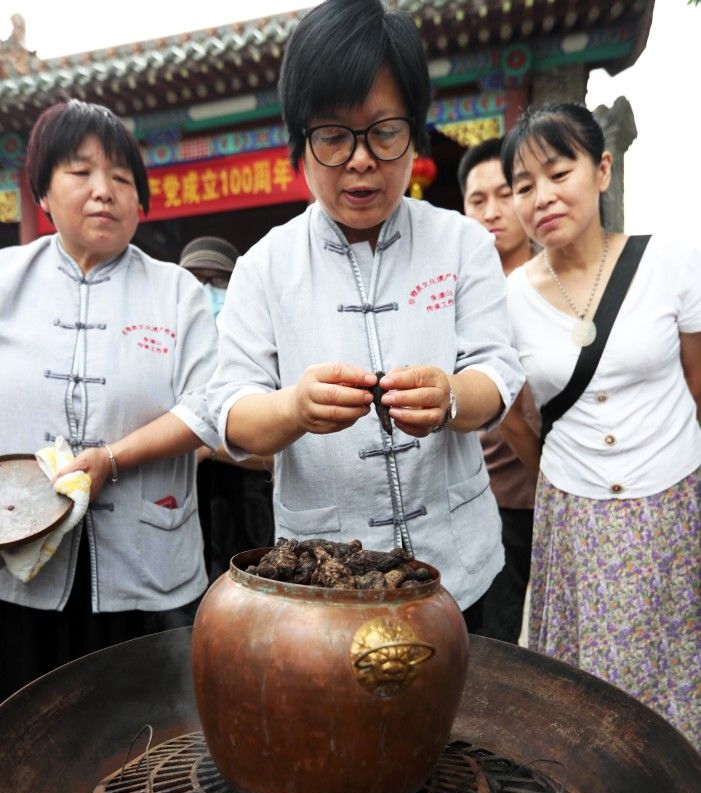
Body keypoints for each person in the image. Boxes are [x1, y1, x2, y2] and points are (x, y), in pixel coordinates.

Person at [207, 0, 524, 626]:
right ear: (301, 144)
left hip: (459, 568)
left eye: (384, 131)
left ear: (416, 132)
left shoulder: (462, 244)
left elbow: (499, 373)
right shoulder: (264, 267)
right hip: (324, 581)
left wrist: (452, 397)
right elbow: (232, 415)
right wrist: (293, 407)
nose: (360, 159)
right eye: (332, 136)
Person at [0, 100, 221, 704]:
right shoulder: (5, 279)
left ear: (141, 200)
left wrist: (112, 459)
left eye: (122, 178)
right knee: (25, 730)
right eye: (80, 172)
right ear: (42, 190)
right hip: (17, 560)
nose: (105, 192)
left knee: (149, 740)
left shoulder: (176, 291)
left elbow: (209, 407)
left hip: (147, 566)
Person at [500, 102, 701, 749]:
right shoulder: (510, 298)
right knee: (590, 690)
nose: (542, 197)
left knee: (674, 668)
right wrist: (560, 478)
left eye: (558, 173)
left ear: (601, 169)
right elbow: (511, 415)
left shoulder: (669, 260)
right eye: (523, 186)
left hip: (672, 501)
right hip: (575, 517)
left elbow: (698, 383)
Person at [458, 138, 540, 644]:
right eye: (476, 200)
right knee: (498, 638)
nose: (491, 212)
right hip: (495, 494)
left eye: (505, 193)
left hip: (565, 491)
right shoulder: (459, 291)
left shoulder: (555, 283)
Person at [179, 236, 274, 579]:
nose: (206, 290)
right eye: (195, 279)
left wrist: (206, 446)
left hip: (254, 522)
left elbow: (282, 456)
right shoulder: (170, 360)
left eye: (218, 280)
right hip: (190, 527)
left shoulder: (264, 356)